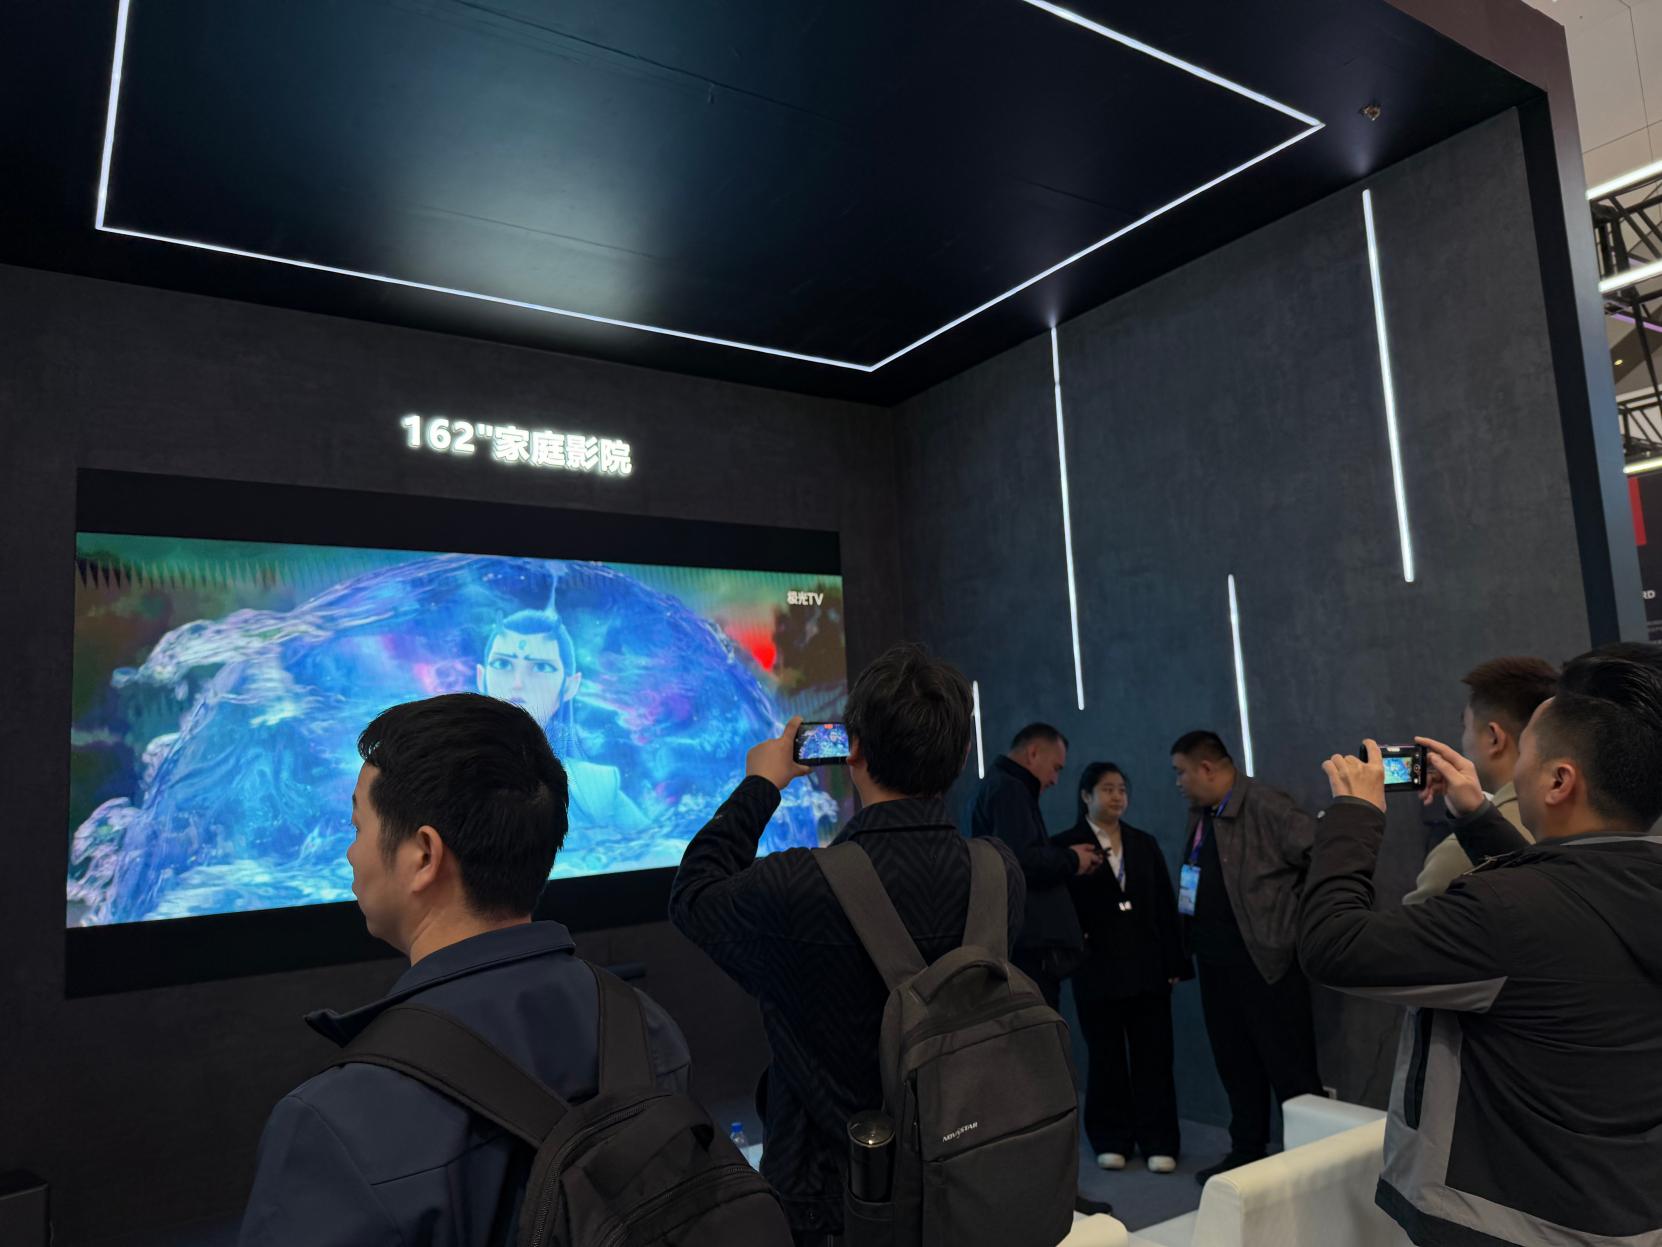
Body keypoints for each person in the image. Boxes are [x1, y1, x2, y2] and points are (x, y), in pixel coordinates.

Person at [238, 693, 690, 1246]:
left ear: (424, 856)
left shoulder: (334, 1123)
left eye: (357, 828)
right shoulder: (647, 1029)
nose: (351, 854)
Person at [1303, 643, 1662, 1247]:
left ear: (1558, 781)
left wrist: (1353, 815)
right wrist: (1476, 817)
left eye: (1529, 753)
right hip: (1621, 1205)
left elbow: (1333, 945)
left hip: (1508, 1219)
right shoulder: (1627, 882)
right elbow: (1567, 904)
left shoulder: (1508, 912)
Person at [668, 644, 1026, 1246]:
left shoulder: (798, 886)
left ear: (851, 750)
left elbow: (693, 895)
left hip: (833, 1202)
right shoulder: (1001, 871)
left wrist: (760, 784)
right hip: (967, 1179)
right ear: (963, 752)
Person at [1170, 730, 1322, 1185]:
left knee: (1290, 1068)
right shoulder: (1201, 814)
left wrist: (1290, 922)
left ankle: (1312, 1166)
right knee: (1235, 1062)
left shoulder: (1267, 805)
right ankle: (1247, 1151)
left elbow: (1323, 854)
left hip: (1266, 962)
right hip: (1216, 963)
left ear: (1207, 768)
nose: (1177, 782)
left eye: (1181, 772)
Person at [1053, 762, 1189, 1175]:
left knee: (1154, 1056)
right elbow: (1059, 911)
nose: (1117, 797)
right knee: (1105, 1057)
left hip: (1148, 968)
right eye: (1107, 789)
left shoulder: (1143, 843)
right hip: (1097, 970)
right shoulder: (1065, 847)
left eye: (1122, 789)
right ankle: (1111, 1138)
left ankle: (1159, 1140)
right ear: (1086, 796)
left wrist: (1175, 960)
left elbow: (1164, 905)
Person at [476, 608, 648, 834]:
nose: (518, 683)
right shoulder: (448, 774)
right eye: (502, 664)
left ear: (570, 686)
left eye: (541, 667)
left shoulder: (596, 788)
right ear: (481, 677)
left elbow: (653, 845)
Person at [1403, 656, 1557, 904]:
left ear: (1494, 737)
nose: (1464, 739)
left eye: (1466, 727)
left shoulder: (1459, 854)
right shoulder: (1580, 818)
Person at [970, 723, 1101, 1010]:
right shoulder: (1010, 789)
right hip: (1030, 945)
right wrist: (1073, 859)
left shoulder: (1003, 785)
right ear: (1033, 753)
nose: (1055, 779)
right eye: (1056, 768)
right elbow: (1022, 860)